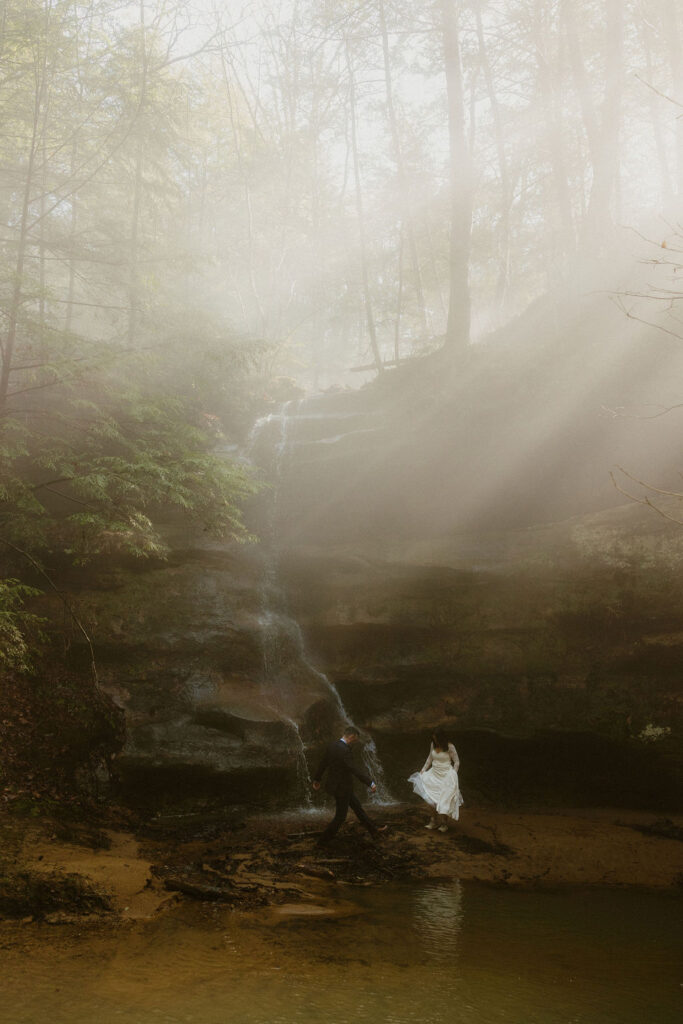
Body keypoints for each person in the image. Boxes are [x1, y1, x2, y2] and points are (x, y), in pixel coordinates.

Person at [313, 726, 387, 845]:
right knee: (340, 817)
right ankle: (322, 841)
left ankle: (374, 831)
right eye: (355, 740)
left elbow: (323, 763)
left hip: (337, 786)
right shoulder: (345, 750)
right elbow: (354, 769)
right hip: (342, 788)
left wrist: (317, 779)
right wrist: (370, 782)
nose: (355, 742)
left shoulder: (332, 746)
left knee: (358, 808)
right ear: (352, 736)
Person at [408, 730, 463, 832]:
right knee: (430, 800)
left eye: (436, 738)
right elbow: (429, 758)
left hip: (446, 776)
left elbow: (457, 762)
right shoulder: (433, 744)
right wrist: (423, 769)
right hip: (433, 775)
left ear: (442, 738)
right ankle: (433, 821)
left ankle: (444, 824)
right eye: (433, 738)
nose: (435, 740)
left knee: (443, 800)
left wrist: (453, 774)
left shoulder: (450, 746)